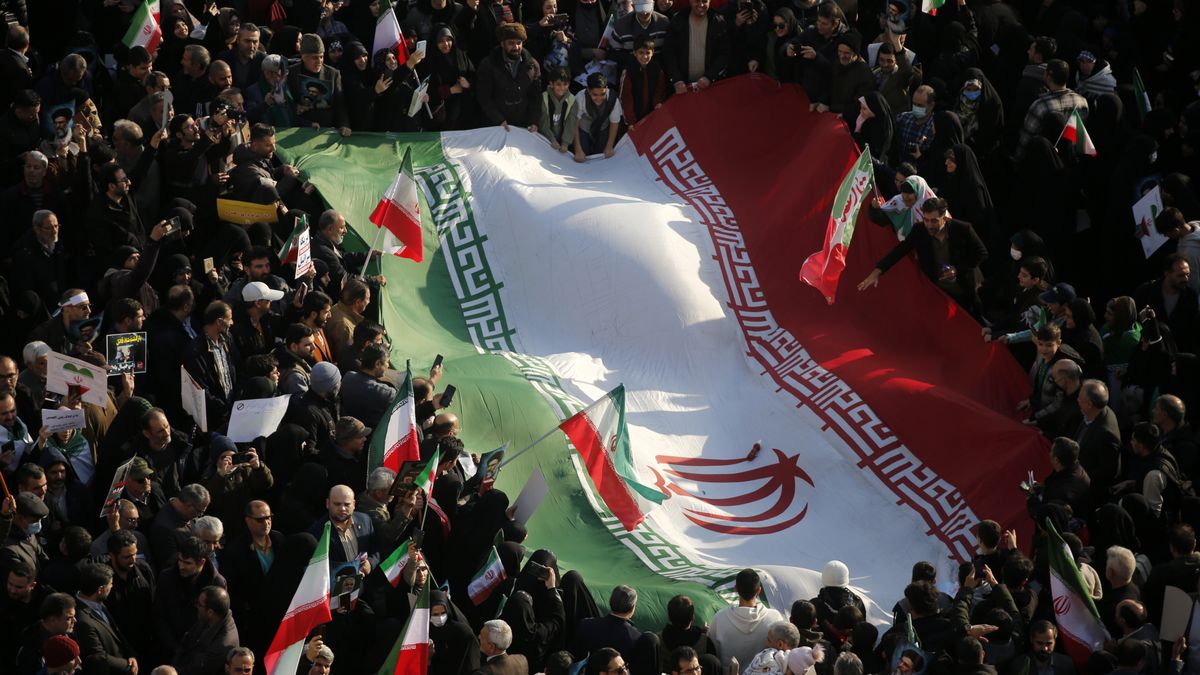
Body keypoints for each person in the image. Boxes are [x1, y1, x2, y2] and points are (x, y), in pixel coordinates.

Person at [858, 197, 989, 315]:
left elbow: (981, 253)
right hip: (937, 293)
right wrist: (878, 271)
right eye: (926, 220)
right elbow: (900, 250)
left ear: (944, 217)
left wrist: (957, 269)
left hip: (964, 292)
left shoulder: (963, 229)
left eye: (934, 221)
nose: (929, 225)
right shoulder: (919, 230)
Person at [709, 568, 786, 670]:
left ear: (735, 588)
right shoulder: (775, 618)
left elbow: (713, 652)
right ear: (759, 590)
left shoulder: (719, 618)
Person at [475, 23, 543, 132]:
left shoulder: (532, 65)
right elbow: (484, 97)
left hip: (523, 124)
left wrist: (534, 121)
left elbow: (536, 97)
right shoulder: (488, 65)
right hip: (496, 124)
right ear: (502, 44)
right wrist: (498, 120)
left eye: (518, 43)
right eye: (511, 43)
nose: (516, 47)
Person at [664, 0, 729, 94]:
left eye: (704, 1)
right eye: (696, 1)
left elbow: (724, 54)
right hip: (682, 88)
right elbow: (669, 53)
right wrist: (676, 79)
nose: (701, 5)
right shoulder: (678, 20)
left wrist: (710, 77)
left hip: (710, 87)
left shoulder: (718, 22)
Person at [573, 73, 621, 161]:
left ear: (606, 89)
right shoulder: (580, 97)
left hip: (603, 128)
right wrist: (578, 150)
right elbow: (574, 122)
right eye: (595, 95)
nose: (599, 98)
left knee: (602, 155)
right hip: (585, 128)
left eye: (602, 94)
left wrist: (609, 147)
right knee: (583, 156)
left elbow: (614, 123)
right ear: (588, 91)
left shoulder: (613, 99)